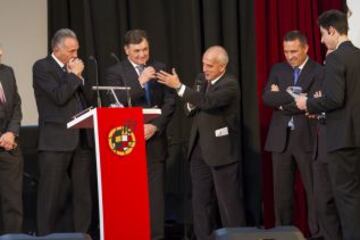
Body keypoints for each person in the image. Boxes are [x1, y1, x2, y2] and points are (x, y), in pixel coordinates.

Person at [156, 45, 246, 240]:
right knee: (200, 201)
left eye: (210, 66)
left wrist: (179, 87)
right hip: (198, 149)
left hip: (221, 152)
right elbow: (191, 108)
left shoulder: (230, 84)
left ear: (222, 67)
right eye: (204, 64)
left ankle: (237, 237)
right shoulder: (201, 80)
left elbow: (207, 102)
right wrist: (190, 97)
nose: (205, 69)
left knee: (228, 203)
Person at [104, 29, 175, 240]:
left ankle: (156, 236)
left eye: (145, 49)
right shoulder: (115, 72)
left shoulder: (159, 67)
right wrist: (140, 82)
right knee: (130, 195)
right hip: (126, 141)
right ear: (126, 50)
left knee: (155, 196)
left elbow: (170, 102)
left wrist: (156, 126)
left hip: (154, 139)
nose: (143, 55)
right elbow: (115, 103)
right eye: (137, 51)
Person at [296, 10, 360, 240]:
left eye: (323, 34)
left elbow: (334, 98)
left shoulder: (335, 58)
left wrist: (308, 103)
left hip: (341, 140)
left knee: (347, 201)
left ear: (332, 30)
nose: (322, 40)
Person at [262, 31, 322, 237]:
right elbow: (268, 97)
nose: (289, 56)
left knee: (314, 193)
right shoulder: (278, 69)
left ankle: (317, 234)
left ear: (306, 48)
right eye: (286, 51)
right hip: (280, 141)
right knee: (282, 196)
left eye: (294, 51)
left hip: (307, 140)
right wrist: (297, 98)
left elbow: (314, 102)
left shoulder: (318, 71)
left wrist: (283, 97)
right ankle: (283, 234)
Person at [33, 28, 92, 235]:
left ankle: (81, 235)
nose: (75, 55)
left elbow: (85, 100)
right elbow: (59, 97)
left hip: (80, 139)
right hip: (55, 141)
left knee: (83, 195)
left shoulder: (74, 69)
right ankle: (44, 237)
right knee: (50, 196)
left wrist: (78, 77)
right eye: (71, 51)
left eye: (76, 50)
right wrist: (75, 76)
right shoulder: (42, 67)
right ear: (56, 49)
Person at [0, 46, 23, 234]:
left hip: (9, 145)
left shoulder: (7, 72)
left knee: (13, 203)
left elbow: (16, 104)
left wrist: (11, 133)